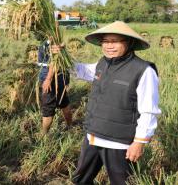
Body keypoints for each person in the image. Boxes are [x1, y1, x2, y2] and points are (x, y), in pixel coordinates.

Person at [53, 21, 160, 185]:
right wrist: (62, 56)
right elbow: (81, 71)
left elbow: (149, 110)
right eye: (106, 41)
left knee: (121, 182)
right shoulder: (103, 63)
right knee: (80, 180)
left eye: (115, 41)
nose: (109, 46)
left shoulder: (143, 70)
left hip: (119, 143)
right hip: (93, 136)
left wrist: (139, 142)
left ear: (129, 43)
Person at [37, 35, 72, 134]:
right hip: (61, 77)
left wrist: (48, 79)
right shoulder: (58, 42)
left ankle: (44, 136)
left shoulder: (52, 44)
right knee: (64, 102)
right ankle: (70, 127)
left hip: (51, 80)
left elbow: (54, 62)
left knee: (48, 109)